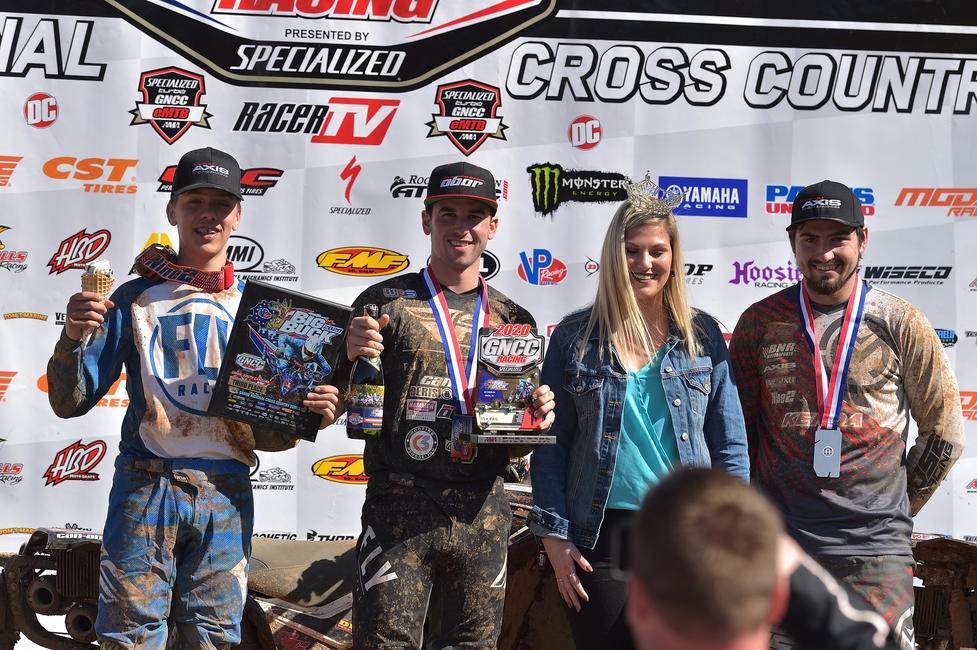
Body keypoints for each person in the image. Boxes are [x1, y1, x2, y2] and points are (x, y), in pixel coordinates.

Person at [46, 147, 341, 649]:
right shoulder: (133, 297)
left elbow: (271, 434)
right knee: (128, 637)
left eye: (221, 204)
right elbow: (70, 401)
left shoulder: (265, 314)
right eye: (195, 201)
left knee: (214, 639)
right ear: (172, 212)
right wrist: (73, 337)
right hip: (146, 485)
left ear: (238, 215)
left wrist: (313, 414)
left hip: (225, 491)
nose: (209, 215)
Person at [728, 180, 965, 646]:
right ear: (792, 243)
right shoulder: (759, 323)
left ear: (862, 239)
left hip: (876, 556)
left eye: (837, 238)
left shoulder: (902, 322)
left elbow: (945, 435)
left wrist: (887, 511)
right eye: (809, 239)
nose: (824, 253)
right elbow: (738, 437)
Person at [335, 161, 556, 649]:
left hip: (485, 508)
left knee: (472, 647)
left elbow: (517, 430)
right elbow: (339, 404)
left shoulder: (513, 317)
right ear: (426, 220)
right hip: (400, 504)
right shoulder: (381, 302)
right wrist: (347, 355)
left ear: (492, 226)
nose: (461, 227)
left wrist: (538, 409)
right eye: (448, 214)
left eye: (474, 215)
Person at [528, 174, 750, 649]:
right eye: (632, 251)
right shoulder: (573, 339)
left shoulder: (704, 337)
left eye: (656, 251)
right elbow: (549, 445)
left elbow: (730, 444)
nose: (645, 263)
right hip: (600, 539)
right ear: (613, 256)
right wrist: (553, 537)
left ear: (673, 256)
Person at [627, 467, 907, 650]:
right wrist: (796, 573)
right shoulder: (786, 585)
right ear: (777, 600)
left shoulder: (639, 601)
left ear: (637, 600)